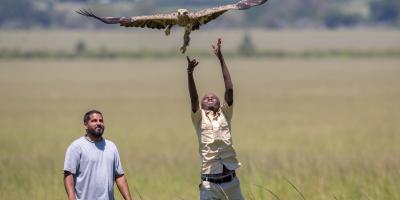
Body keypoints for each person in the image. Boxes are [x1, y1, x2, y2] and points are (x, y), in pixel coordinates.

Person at [187, 38, 244, 200]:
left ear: (220, 103)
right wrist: (190, 73)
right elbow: (193, 99)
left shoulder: (226, 113)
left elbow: (230, 88)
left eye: (214, 97)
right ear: (202, 105)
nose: (210, 98)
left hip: (231, 183)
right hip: (209, 185)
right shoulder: (198, 118)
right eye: (206, 98)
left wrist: (220, 58)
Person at [63, 110, 132, 200]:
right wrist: (71, 197)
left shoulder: (111, 146)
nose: (99, 123)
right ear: (86, 125)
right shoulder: (76, 147)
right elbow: (68, 174)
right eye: (94, 121)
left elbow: (119, 176)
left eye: (101, 121)